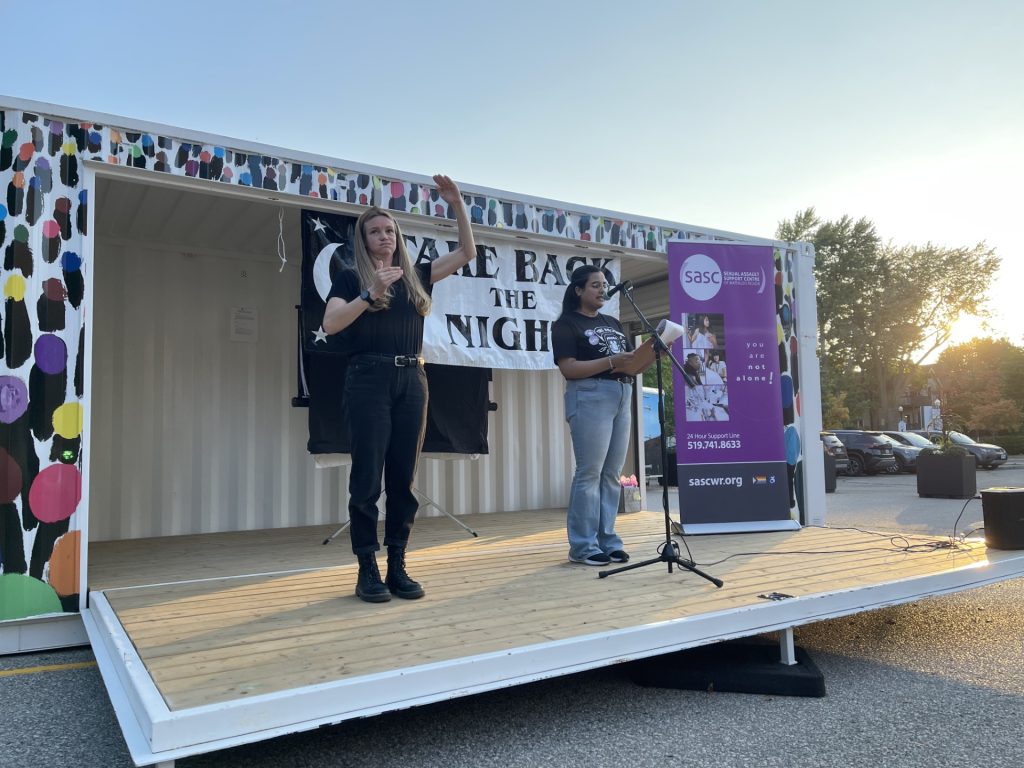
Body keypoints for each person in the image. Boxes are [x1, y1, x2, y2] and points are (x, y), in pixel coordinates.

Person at [322, 174, 476, 603]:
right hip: (368, 378)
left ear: (398, 236)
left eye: (389, 230)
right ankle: (366, 569)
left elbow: (467, 252)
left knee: (403, 480)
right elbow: (331, 324)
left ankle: (397, 564)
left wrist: (457, 204)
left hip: (412, 380)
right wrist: (371, 294)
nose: (383, 236)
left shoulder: (417, 276)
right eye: (375, 231)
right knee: (367, 477)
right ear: (364, 239)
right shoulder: (352, 278)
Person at [552, 265, 649, 566]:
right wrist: (610, 361)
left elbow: (629, 361)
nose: (602, 290)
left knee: (611, 473)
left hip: (622, 393)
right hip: (590, 394)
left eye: (605, 285)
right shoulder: (566, 324)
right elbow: (569, 368)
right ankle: (583, 546)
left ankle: (607, 540)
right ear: (579, 290)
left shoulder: (613, 321)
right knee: (590, 471)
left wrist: (646, 356)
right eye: (595, 285)